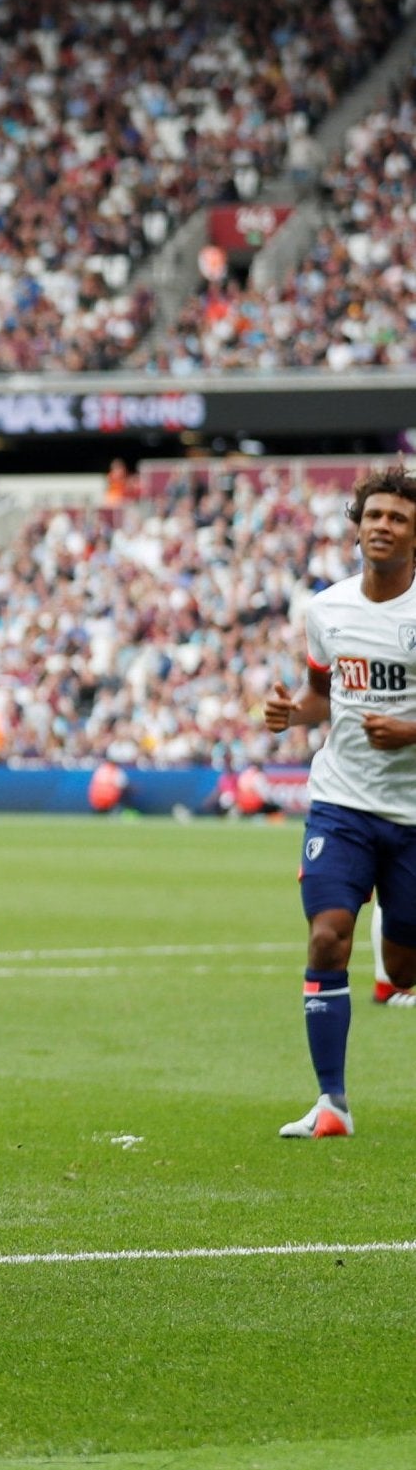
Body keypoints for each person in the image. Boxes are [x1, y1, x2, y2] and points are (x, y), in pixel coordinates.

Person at [263, 465, 416, 1137]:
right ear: (357, 528)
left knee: (404, 967)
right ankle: (331, 1104)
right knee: (327, 936)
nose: (381, 527)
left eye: (397, 518)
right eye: (373, 516)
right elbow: (321, 698)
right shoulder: (325, 610)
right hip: (341, 805)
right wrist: (288, 715)